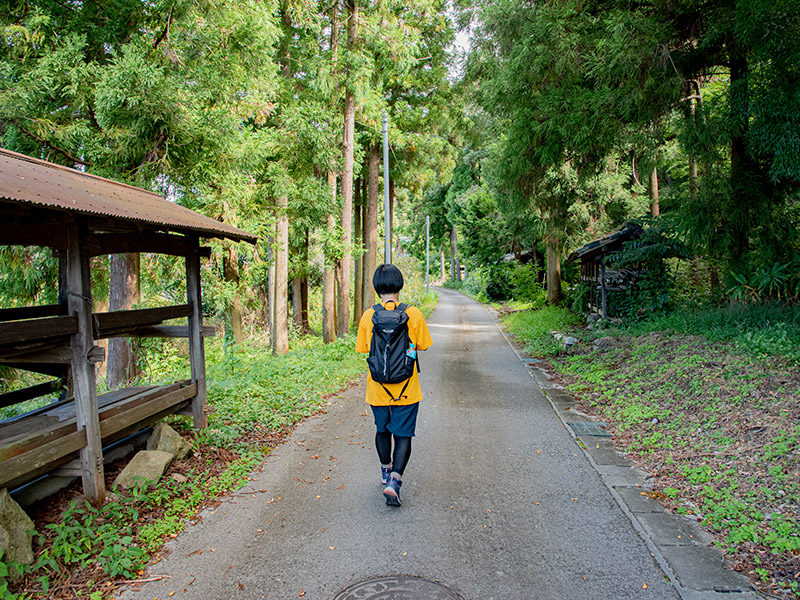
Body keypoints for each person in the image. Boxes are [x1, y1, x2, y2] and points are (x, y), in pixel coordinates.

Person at [356, 264, 432, 506]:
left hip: (378, 388)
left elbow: (363, 349)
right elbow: (423, 345)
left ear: (377, 287)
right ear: (400, 285)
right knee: (403, 435)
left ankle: (385, 471)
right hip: (407, 389)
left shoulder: (369, 316)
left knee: (382, 430)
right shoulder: (414, 314)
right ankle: (395, 482)